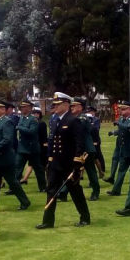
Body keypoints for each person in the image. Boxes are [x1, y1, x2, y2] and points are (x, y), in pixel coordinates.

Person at [36, 92, 91, 230]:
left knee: (75, 191)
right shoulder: (54, 120)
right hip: (55, 163)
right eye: (54, 104)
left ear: (66, 105)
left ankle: (85, 217)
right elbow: (51, 140)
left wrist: (77, 161)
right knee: (51, 190)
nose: (54, 106)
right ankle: (48, 221)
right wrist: (49, 158)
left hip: (69, 163)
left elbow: (80, 142)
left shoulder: (73, 120)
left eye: (58, 104)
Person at [0, 100, 31, 211]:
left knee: (12, 182)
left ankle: (25, 201)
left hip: (5, 158)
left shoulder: (7, 122)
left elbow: (7, 140)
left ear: (3, 110)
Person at [70, 98, 101, 201]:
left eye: (74, 106)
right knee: (74, 170)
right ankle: (64, 192)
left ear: (80, 107)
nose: (72, 108)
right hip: (78, 148)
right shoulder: (74, 118)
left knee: (90, 171)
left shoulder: (82, 118)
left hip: (86, 149)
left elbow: (79, 127)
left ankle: (95, 191)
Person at [14, 100, 47, 192]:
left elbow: (31, 132)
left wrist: (20, 127)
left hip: (32, 148)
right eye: (21, 107)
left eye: (24, 107)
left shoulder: (33, 119)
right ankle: (14, 187)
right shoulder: (22, 118)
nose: (22, 109)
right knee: (18, 168)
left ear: (29, 108)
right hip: (22, 147)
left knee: (38, 169)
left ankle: (43, 187)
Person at [88, 106, 106, 175]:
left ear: (93, 112)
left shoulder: (96, 119)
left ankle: (102, 168)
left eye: (90, 111)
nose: (89, 113)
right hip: (89, 139)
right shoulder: (86, 119)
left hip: (95, 139)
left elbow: (97, 129)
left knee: (98, 154)